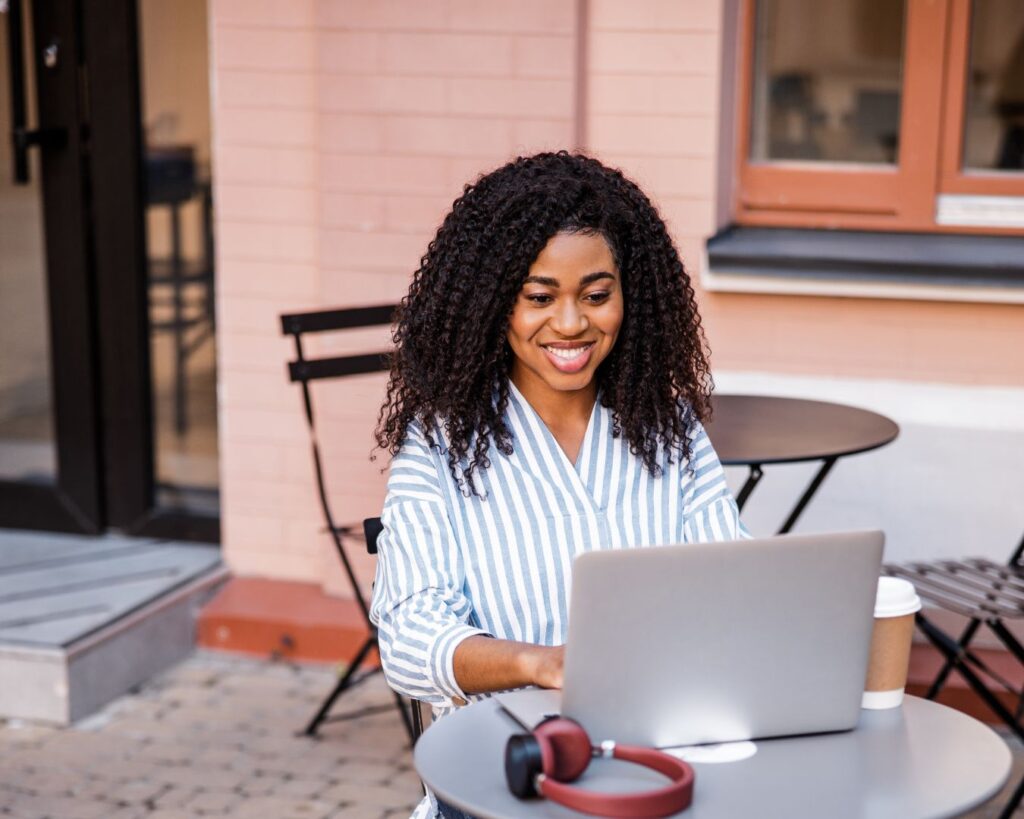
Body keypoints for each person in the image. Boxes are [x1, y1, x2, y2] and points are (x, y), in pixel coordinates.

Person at [369, 151, 748, 819]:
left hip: (654, 765)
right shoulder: (441, 445)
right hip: (504, 777)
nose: (571, 323)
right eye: (540, 297)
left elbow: (733, 577)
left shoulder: (667, 427)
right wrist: (538, 663)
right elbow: (407, 639)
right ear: (494, 302)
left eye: (596, 295)